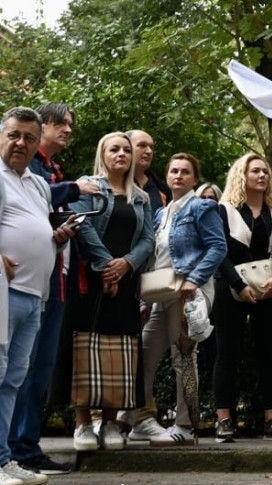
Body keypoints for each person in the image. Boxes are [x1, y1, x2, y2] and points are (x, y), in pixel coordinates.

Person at [12, 102, 97, 477]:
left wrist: (62, 230)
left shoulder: (45, 172)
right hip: (21, 285)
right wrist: (75, 189)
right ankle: (15, 450)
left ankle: (25, 447)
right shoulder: (26, 169)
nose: (67, 130)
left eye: (71, 126)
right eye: (60, 123)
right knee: (18, 369)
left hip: (55, 279)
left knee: (38, 369)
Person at [124, 153, 227, 445]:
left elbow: (218, 247)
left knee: (183, 356)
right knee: (142, 356)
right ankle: (133, 419)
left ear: (195, 178)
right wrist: (145, 300)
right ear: (167, 177)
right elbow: (156, 257)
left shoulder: (203, 207)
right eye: (173, 171)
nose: (178, 176)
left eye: (185, 172)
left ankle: (186, 427)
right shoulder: (162, 212)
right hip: (161, 293)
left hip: (189, 291)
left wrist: (195, 278)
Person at [0, 107, 77, 485]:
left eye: (29, 138)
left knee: (14, 378)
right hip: (4, 291)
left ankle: (5, 459)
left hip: (36, 294)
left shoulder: (36, 183)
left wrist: (56, 239)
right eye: (14, 135)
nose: (21, 143)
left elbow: (35, 229)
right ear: (2, 135)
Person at [68, 132, 155, 452]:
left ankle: (108, 423)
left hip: (126, 283)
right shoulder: (87, 186)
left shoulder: (141, 196)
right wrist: (107, 266)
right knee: (85, 349)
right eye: (114, 149)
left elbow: (148, 240)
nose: (121, 154)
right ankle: (83, 425)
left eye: (126, 150)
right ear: (102, 154)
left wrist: (126, 265)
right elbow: (82, 226)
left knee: (118, 354)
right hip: (90, 281)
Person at [212, 153, 272, 443]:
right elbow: (217, 250)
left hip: (269, 289)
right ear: (242, 175)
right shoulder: (225, 210)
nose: (262, 176)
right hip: (231, 288)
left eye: (265, 172)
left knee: (271, 355)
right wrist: (237, 284)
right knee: (226, 355)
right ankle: (224, 420)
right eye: (255, 171)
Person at [127, 130, 167, 214]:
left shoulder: (162, 188)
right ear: (126, 148)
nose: (149, 151)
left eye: (151, 147)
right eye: (142, 145)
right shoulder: (111, 184)